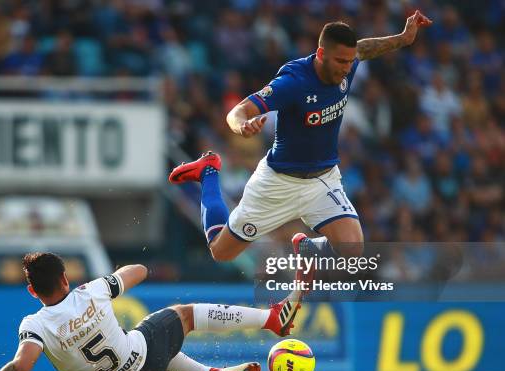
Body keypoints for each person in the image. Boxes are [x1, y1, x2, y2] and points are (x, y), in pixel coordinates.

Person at [169, 11, 432, 263]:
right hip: (278, 183)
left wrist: (403, 38)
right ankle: (209, 172)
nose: (347, 68)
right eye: (341, 61)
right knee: (221, 252)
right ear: (321, 54)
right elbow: (238, 110)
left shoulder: (347, 63)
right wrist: (242, 126)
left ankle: (305, 247)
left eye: (350, 62)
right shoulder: (294, 82)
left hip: (322, 179)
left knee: (353, 250)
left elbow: (363, 48)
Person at [0, 252, 298, 371]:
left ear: (32, 290)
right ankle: (271, 319)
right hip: (143, 365)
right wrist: (104, 283)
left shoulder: (34, 323)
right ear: (65, 277)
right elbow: (139, 271)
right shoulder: (91, 292)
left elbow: (22, 366)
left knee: (137, 337)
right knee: (184, 314)